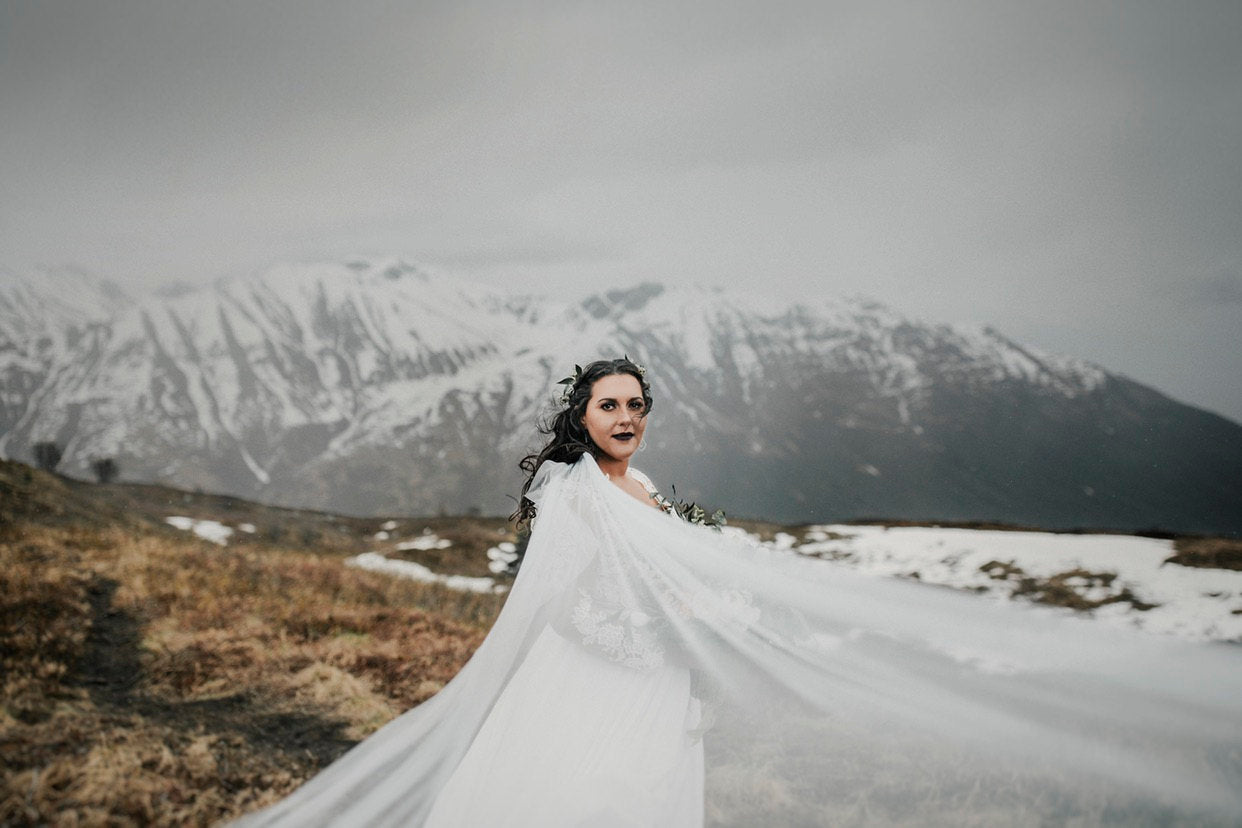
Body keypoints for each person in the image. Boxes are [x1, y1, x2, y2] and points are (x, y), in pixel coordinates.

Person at [235, 358, 1242, 826]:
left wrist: (697, 629)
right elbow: (573, 606)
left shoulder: (646, 488)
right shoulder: (577, 496)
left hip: (662, 688)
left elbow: (659, 575)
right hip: (595, 684)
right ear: (580, 418)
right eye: (609, 405)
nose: (626, 417)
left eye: (637, 405)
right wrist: (663, 642)